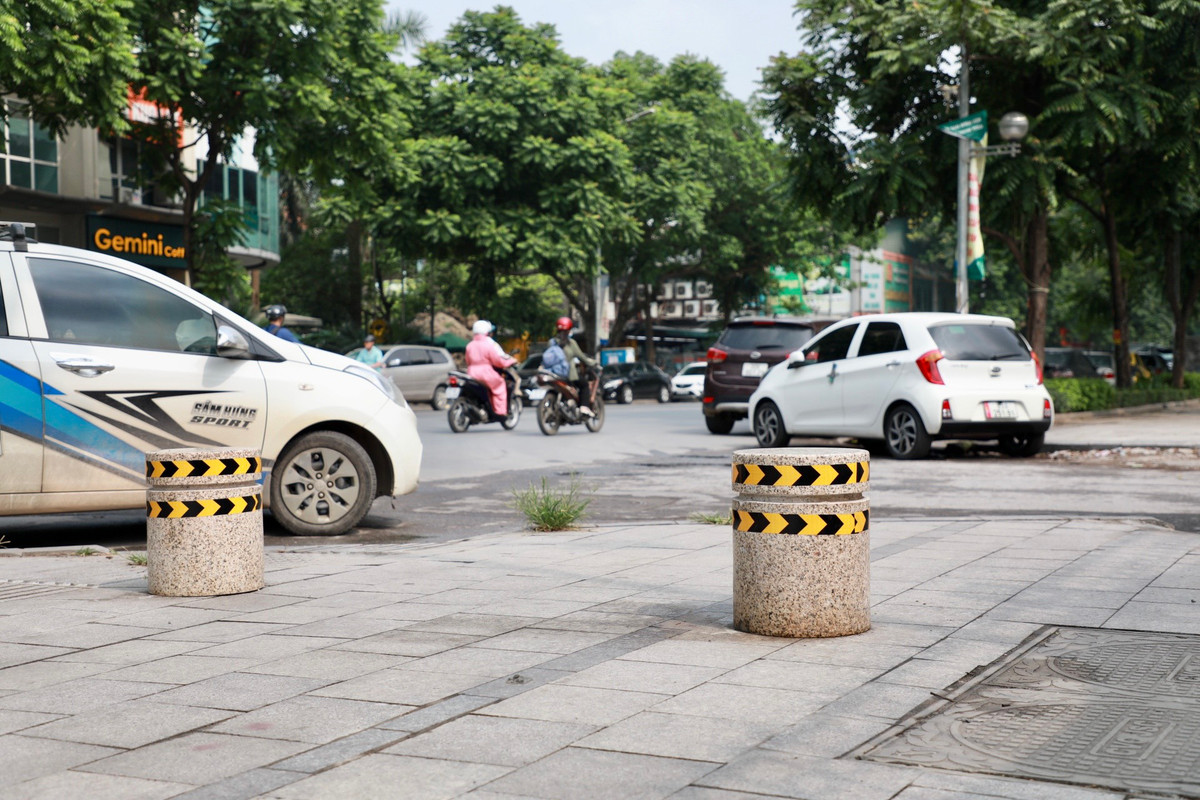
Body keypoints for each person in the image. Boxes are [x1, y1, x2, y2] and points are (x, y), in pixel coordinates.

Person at [465, 319, 517, 419]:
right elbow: (498, 361)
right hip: (486, 373)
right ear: (487, 332)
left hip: (471, 373)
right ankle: (500, 412)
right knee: (500, 385)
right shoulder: (489, 345)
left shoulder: (470, 345)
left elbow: (468, 360)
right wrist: (510, 361)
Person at [553, 316, 598, 416]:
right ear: (569, 330)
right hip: (568, 375)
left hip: (553, 374)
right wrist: (593, 363)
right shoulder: (571, 343)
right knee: (584, 385)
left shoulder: (552, 342)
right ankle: (584, 407)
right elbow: (582, 357)